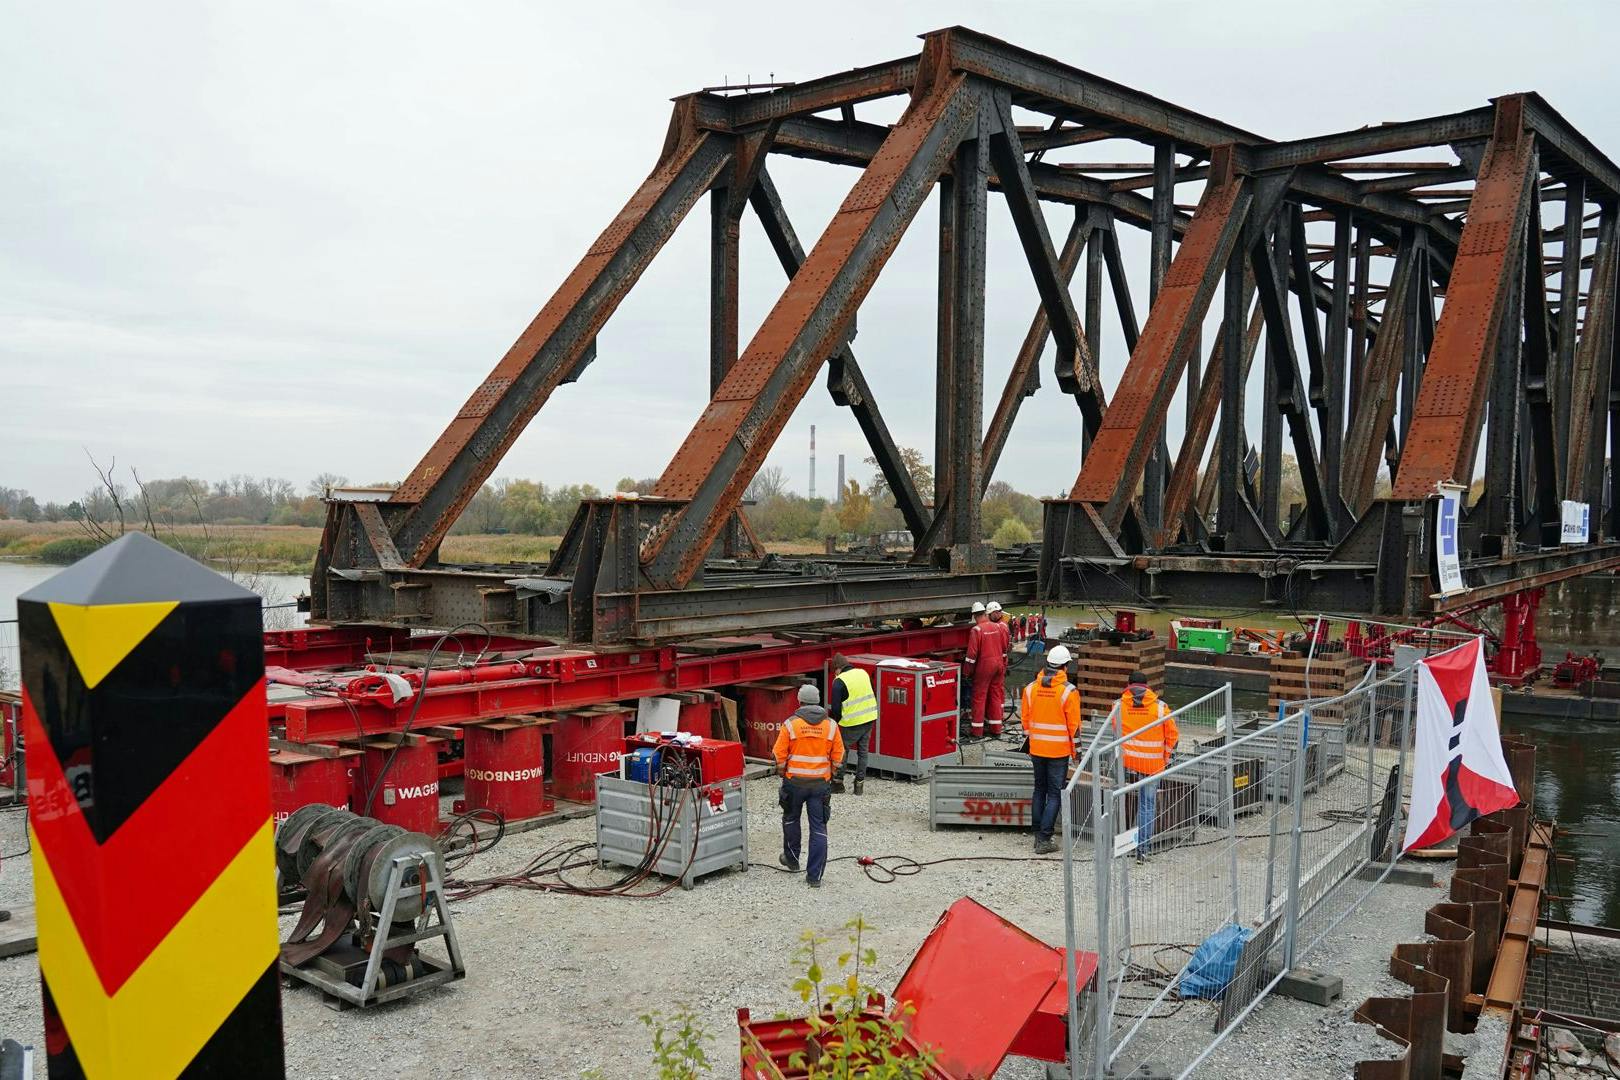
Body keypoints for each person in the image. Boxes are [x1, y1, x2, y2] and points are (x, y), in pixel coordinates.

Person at [774, 683, 845, 887]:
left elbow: (779, 754)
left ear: (800, 701)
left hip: (794, 783)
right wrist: (830, 774)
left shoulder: (791, 724)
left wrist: (783, 773)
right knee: (818, 827)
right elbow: (839, 756)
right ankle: (814, 877)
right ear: (818, 701)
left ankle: (792, 859)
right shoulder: (831, 725)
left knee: (791, 819)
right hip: (820, 785)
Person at [1022, 644, 1081, 854]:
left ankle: (1038, 834)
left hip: (1037, 749)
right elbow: (1074, 727)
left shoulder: (1030, 689)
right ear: (1065, 666)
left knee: (1039, 790)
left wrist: (1033, 742)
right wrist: (1077, 754)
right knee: (1055, 794)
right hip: (1058, 751)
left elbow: (1025, 721)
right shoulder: (1069, 692)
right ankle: (1044, 838)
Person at [1114, 670, 1178, 861]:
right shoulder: (1160, 708)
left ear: (1128, 685)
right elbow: (1173, 736)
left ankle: (1121, 846)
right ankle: (1142, 850)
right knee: (1147, 806)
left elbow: (1116, 732)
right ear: (1147, 687)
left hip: (1127, 763)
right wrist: (1165, 759)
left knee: (1121, 801)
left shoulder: (1118, 706)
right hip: (1152, 765)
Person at [828, 654, 877, 795]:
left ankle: (838, 783)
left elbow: (836, 708)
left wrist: (837, 722)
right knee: (863, 752)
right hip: (869, 718)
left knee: (842, 751)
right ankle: (859, 785)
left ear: (837, 668)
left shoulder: (839, 681)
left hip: (851, 723)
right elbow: (872, 693)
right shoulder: (863, 673)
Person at [981, 602, 1012, 737]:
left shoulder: (1001, 627)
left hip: (999, 661)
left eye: (989, 615)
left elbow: (1002, 647)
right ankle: (997, 720)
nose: (988, 618)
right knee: (997, 692)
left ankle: (996, 722)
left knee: (996, 693)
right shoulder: (1001, 625)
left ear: (995, 613)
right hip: (1000, 661)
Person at [962, 601, 991, 739]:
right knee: (995, 695)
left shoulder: (976, 630)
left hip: (984, 666)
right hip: (998, 665)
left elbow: (971, 655)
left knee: (979, 698)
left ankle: (977, 731)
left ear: (974, 615)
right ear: (985, 613)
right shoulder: (996, 626)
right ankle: (995, 728)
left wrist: (966, 672)